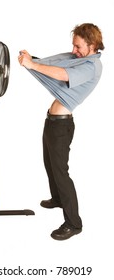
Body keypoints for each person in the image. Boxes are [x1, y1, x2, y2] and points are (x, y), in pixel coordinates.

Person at [18, 23, 104, 240]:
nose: (73, 51)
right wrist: (33, 59)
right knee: (49, 164)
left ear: (92, 45)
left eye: (77, 46)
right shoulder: (81, 59)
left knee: (61, 173)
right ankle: (57, 199)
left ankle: (74, 223)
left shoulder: (91, 66)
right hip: (53, 122)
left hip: (61, 127)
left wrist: (32, 65)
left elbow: (62, 74)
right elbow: (55, 65)